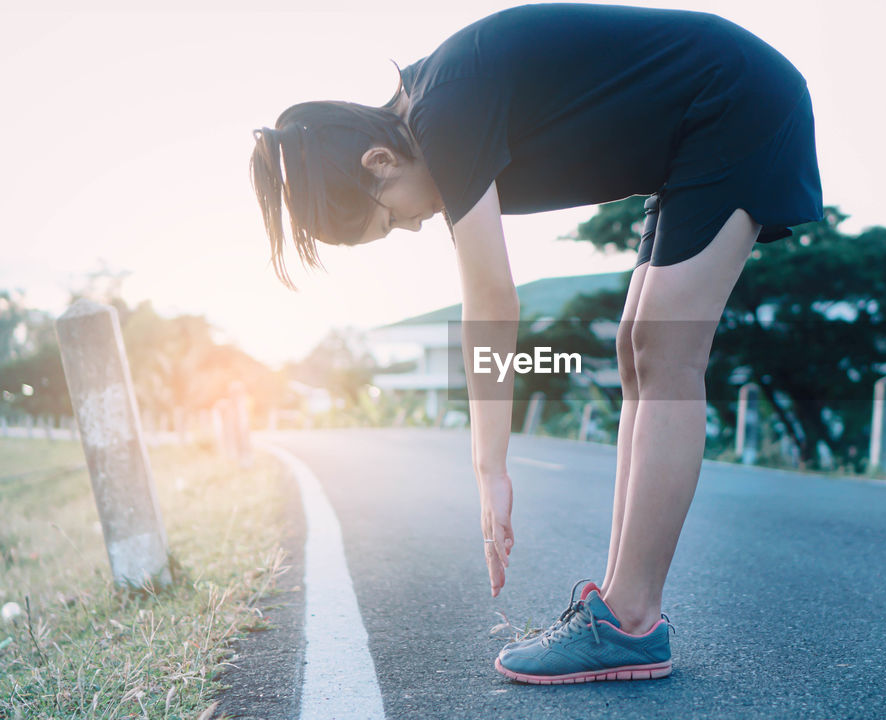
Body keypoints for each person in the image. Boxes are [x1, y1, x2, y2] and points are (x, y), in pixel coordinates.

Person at [249, 2, 822, 685]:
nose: (411, 227)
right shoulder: (432, 113)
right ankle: (616, 607)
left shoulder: (442, 114)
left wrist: (489, 468)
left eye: (390, 217)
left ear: (379, 160)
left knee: (667, 353)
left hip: (736, 100)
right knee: (640, 349)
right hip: (696, 126)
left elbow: (491, 301)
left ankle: (633, 620)